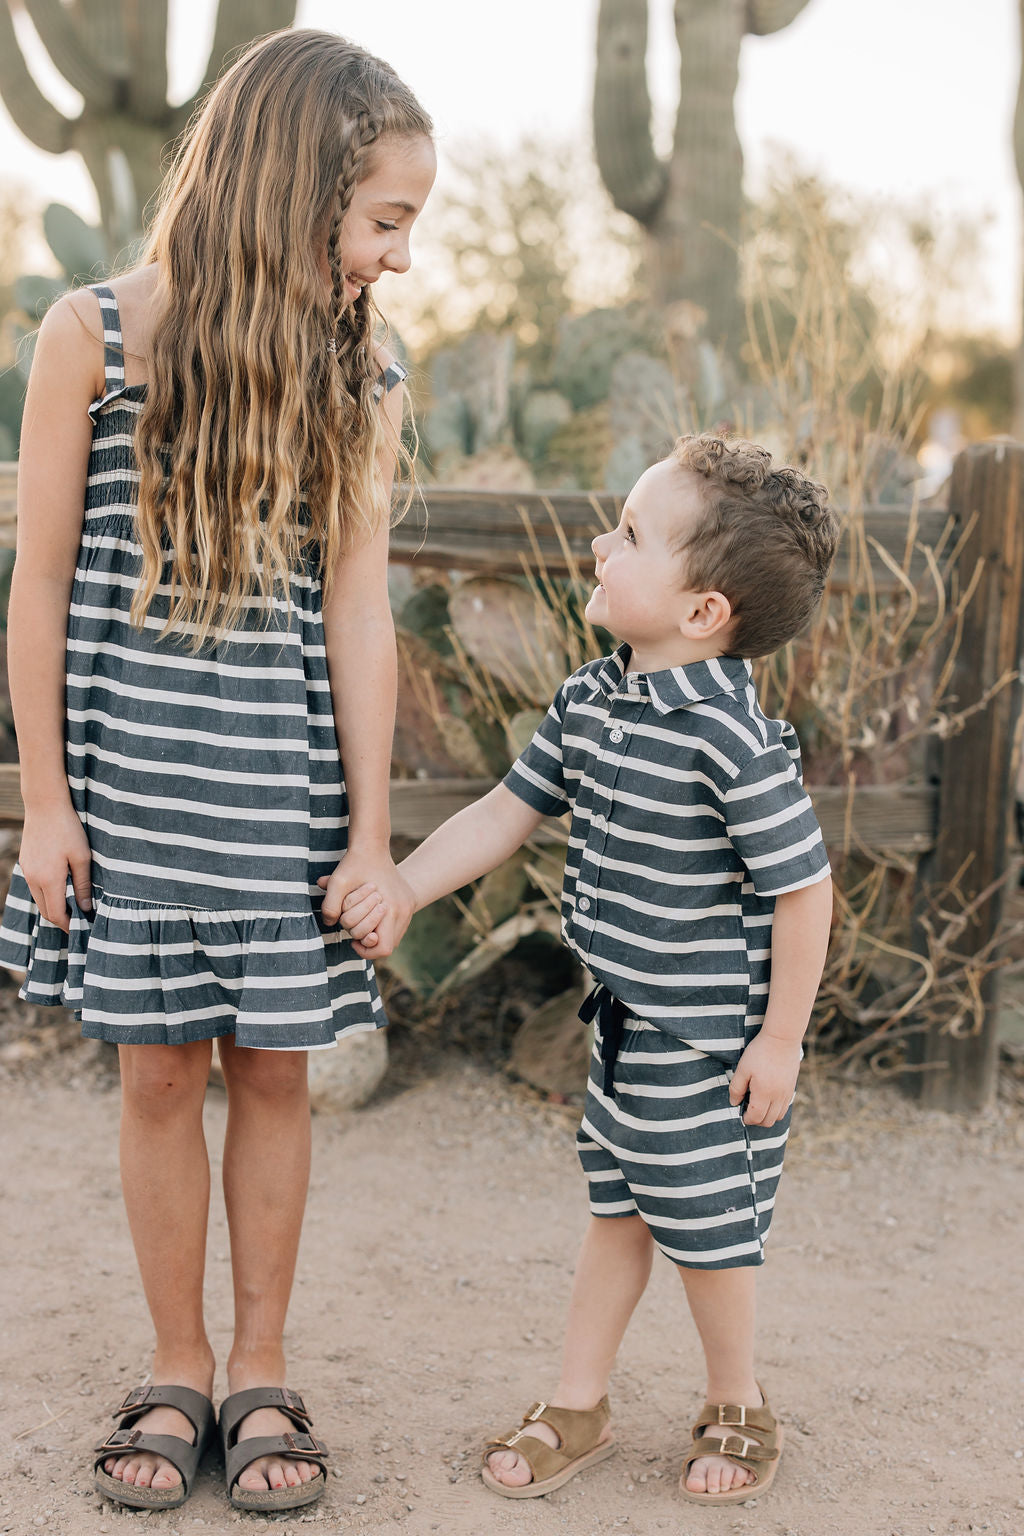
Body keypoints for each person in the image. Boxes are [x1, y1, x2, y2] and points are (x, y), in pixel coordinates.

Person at [0, 28, 433, 1516]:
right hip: (128, 803)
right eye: (385, 220)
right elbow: (39, 584)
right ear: (295, 189)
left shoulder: (360, 363)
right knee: (156, 1078)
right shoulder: (92, 338)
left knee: (273, 1077)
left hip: (282, 805)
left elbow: (359, 607)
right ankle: (176, 1363)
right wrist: (43, 802)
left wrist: (371, 833)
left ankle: (259, 1366)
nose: (396, 257)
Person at [342, 432, 839, 1507]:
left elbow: (804, 890)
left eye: (627, 535)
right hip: (619, 1022)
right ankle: (579, 1399)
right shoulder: (590, 699)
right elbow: (505, 811)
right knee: (616, 1208)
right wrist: (406, 888)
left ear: (702, 610)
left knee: (707, 1233)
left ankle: (737, 1400)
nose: (598, 547)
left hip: (708, 1043)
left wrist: (780, 1041)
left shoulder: (727, 739)